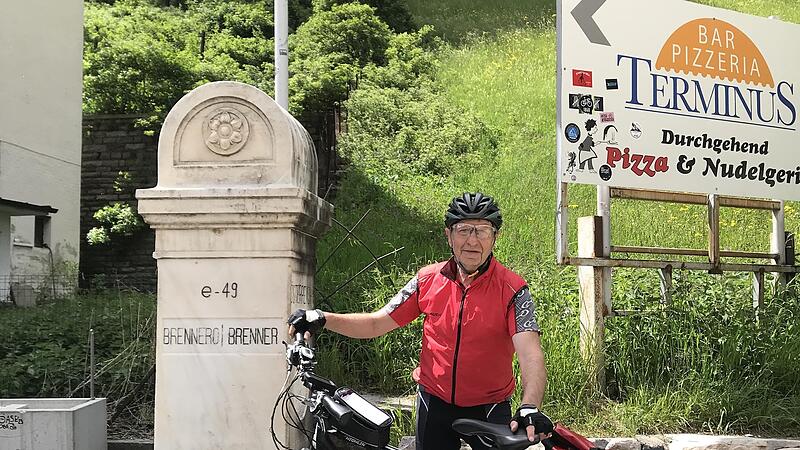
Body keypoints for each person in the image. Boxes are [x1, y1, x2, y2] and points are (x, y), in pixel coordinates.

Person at [288, 192, 552, 449]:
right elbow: (377, 323)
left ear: (495, 237)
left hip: (490, 405)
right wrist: (322, 318)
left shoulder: (513, 290)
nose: (472, 240)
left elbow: (530, 355)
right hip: (434, 402)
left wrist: (529, 405)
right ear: (448, 235)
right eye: (463, 230)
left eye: (482, 230)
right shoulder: (427, 280)